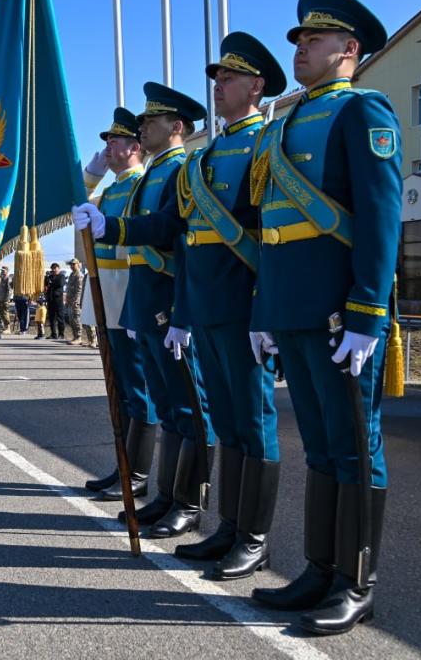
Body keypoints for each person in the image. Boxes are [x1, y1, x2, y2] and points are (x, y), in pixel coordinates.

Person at [80, 36, 287, 575]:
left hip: (240, 307)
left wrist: (268, 309)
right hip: (195, 307)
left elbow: (271, 232)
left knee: (247, 419)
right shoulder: (203, 159)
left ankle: (245, 533)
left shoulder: (264, 143)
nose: (218, 85)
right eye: (216, 79)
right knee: (218, 417)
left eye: (229, 78)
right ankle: (226, 526)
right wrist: (112, 226)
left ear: (257, 87)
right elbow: (176, 230)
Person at [247, 0, 401, 635]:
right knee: (320, 448)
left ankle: (354, 579)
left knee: (353, 447)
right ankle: (318, 568)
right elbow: (271, 227)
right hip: (292, 310)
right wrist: (263, 310)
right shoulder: (284, 124)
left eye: (313, 39)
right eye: (300, 39)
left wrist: (367, 312)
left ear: (348, 49)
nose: (300, 48)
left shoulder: (363, 110)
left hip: (342, 316)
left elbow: (379, 217)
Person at [78, 86, 213, 525]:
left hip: (163, 300)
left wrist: (185, 312)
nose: (140, 128)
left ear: (175, 128)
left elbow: (180, 240)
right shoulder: (150, 177)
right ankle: (166, 494)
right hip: (137, 298)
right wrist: (90, 176)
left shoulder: (179, 170)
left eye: (148, 123)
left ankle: (183, 500)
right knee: (162, 400)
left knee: (182, 404)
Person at [78, 108, 151, 501]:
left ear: (135, 147)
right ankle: (122, 465)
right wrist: (91, 174)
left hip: (127, 292)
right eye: (106, 141)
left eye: (116, 141)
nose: (108, 147)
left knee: (137, 388)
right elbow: (73, 202)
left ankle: (137, 473)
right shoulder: (112, 188)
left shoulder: (141, 184)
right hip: (106, 292)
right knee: (119, 387)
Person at [64, 259, 84, 344]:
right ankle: (75, 336)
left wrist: (76, 300)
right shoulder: (72, 274)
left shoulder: (79, 275)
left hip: (76, 301)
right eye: (71, 265)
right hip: (70, 300)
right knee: (71, 319)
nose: (72, 266)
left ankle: (78, 337)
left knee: (76, 319)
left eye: (73, 264)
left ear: (78, 265)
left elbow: (79, 290)